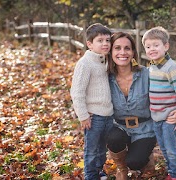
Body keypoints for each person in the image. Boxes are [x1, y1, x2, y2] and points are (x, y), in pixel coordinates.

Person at [106, 32, 176, 179]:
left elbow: (172, 88)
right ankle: (121, 169)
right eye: (117, 48)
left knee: (135, 162)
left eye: (127, 48)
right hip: (119, 126)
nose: (122, 52)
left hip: (145, 129)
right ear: (111, 52)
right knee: (112, 138)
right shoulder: (105, 78)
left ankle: (143, 157)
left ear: (133, 52)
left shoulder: (148, 74)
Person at [142, 26, 176, 180]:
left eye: (156, 45)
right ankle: (171, 171)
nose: (152, 49)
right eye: (148, 46)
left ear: (166, 46)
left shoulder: (172, 67)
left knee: (170, 147)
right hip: (156, 116)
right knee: (163, 147)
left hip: (170, 117)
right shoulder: (151, 67)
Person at [70, 23, 114, 180]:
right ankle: (90, 175)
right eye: (100, 40)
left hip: (108, 114)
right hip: (93, 117)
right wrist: (83, 115)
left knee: (102, 148)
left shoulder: (107, 60)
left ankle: (99, 170)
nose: (105, 44)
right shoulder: (85, 63)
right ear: (89, 44)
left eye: (108, 40)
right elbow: (77, 92)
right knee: (92, 149)